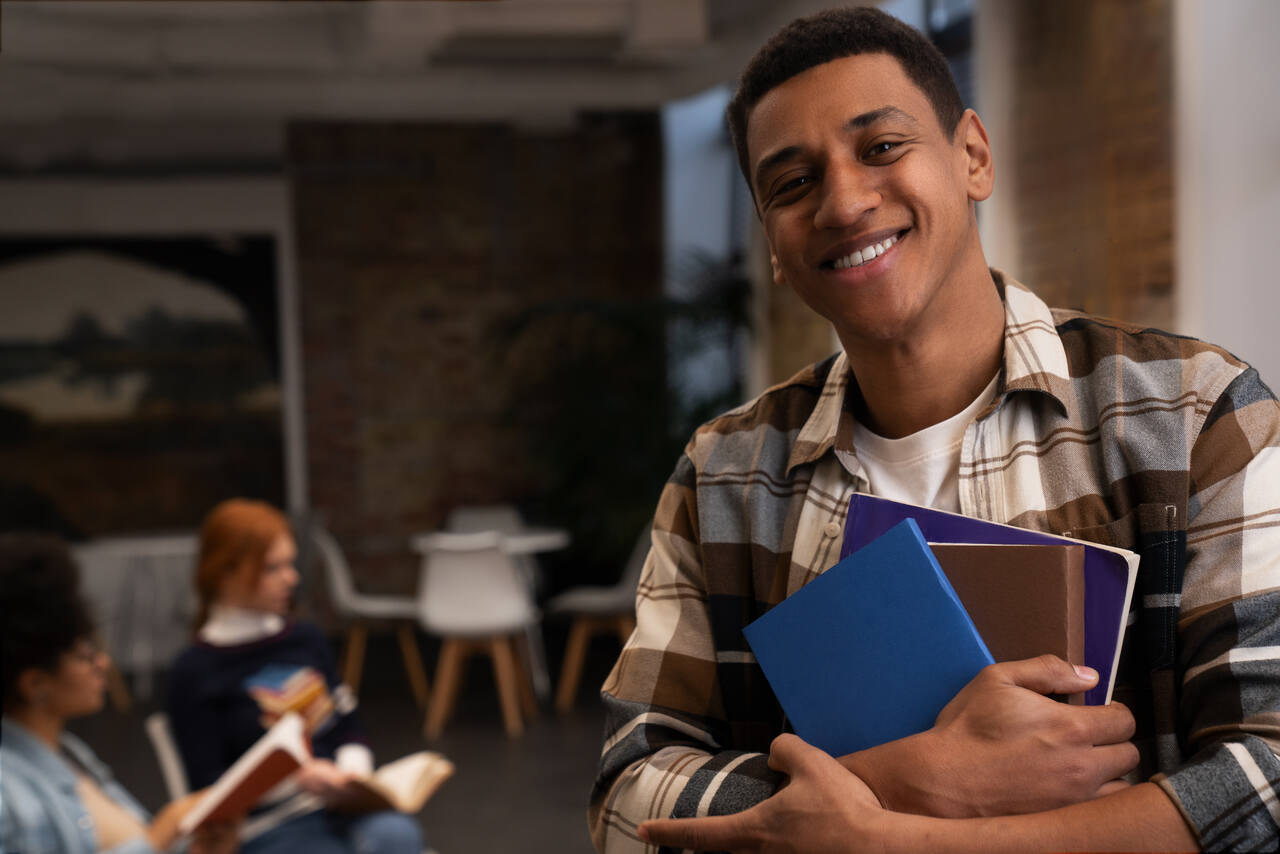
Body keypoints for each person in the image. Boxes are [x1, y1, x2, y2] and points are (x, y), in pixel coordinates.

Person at [589, 7, 1280, 853]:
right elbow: (629, 798)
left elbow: (1267, 778)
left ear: (973, 157)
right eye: (793, 184)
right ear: (772, 242)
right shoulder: (725, 478)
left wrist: (896, 837)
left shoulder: (1192, 414)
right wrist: (918, 777)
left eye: (881, 147)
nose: (844, 201)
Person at [167, 499, 424, 854]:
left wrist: (351, 778)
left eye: (290, 564)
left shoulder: (305, 638)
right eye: (274, 568)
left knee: (397, 835)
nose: (292, 577)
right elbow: (206, 785)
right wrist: (296, 780)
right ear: (226, 573)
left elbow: (347, 724)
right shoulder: (194, 670)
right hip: (265, 824)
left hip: (339, 805)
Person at [0, 533, 240, 854]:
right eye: (84, 655)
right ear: (35, 684)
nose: (103, 662)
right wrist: (158, 838)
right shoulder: (10, 797)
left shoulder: (72, 755)